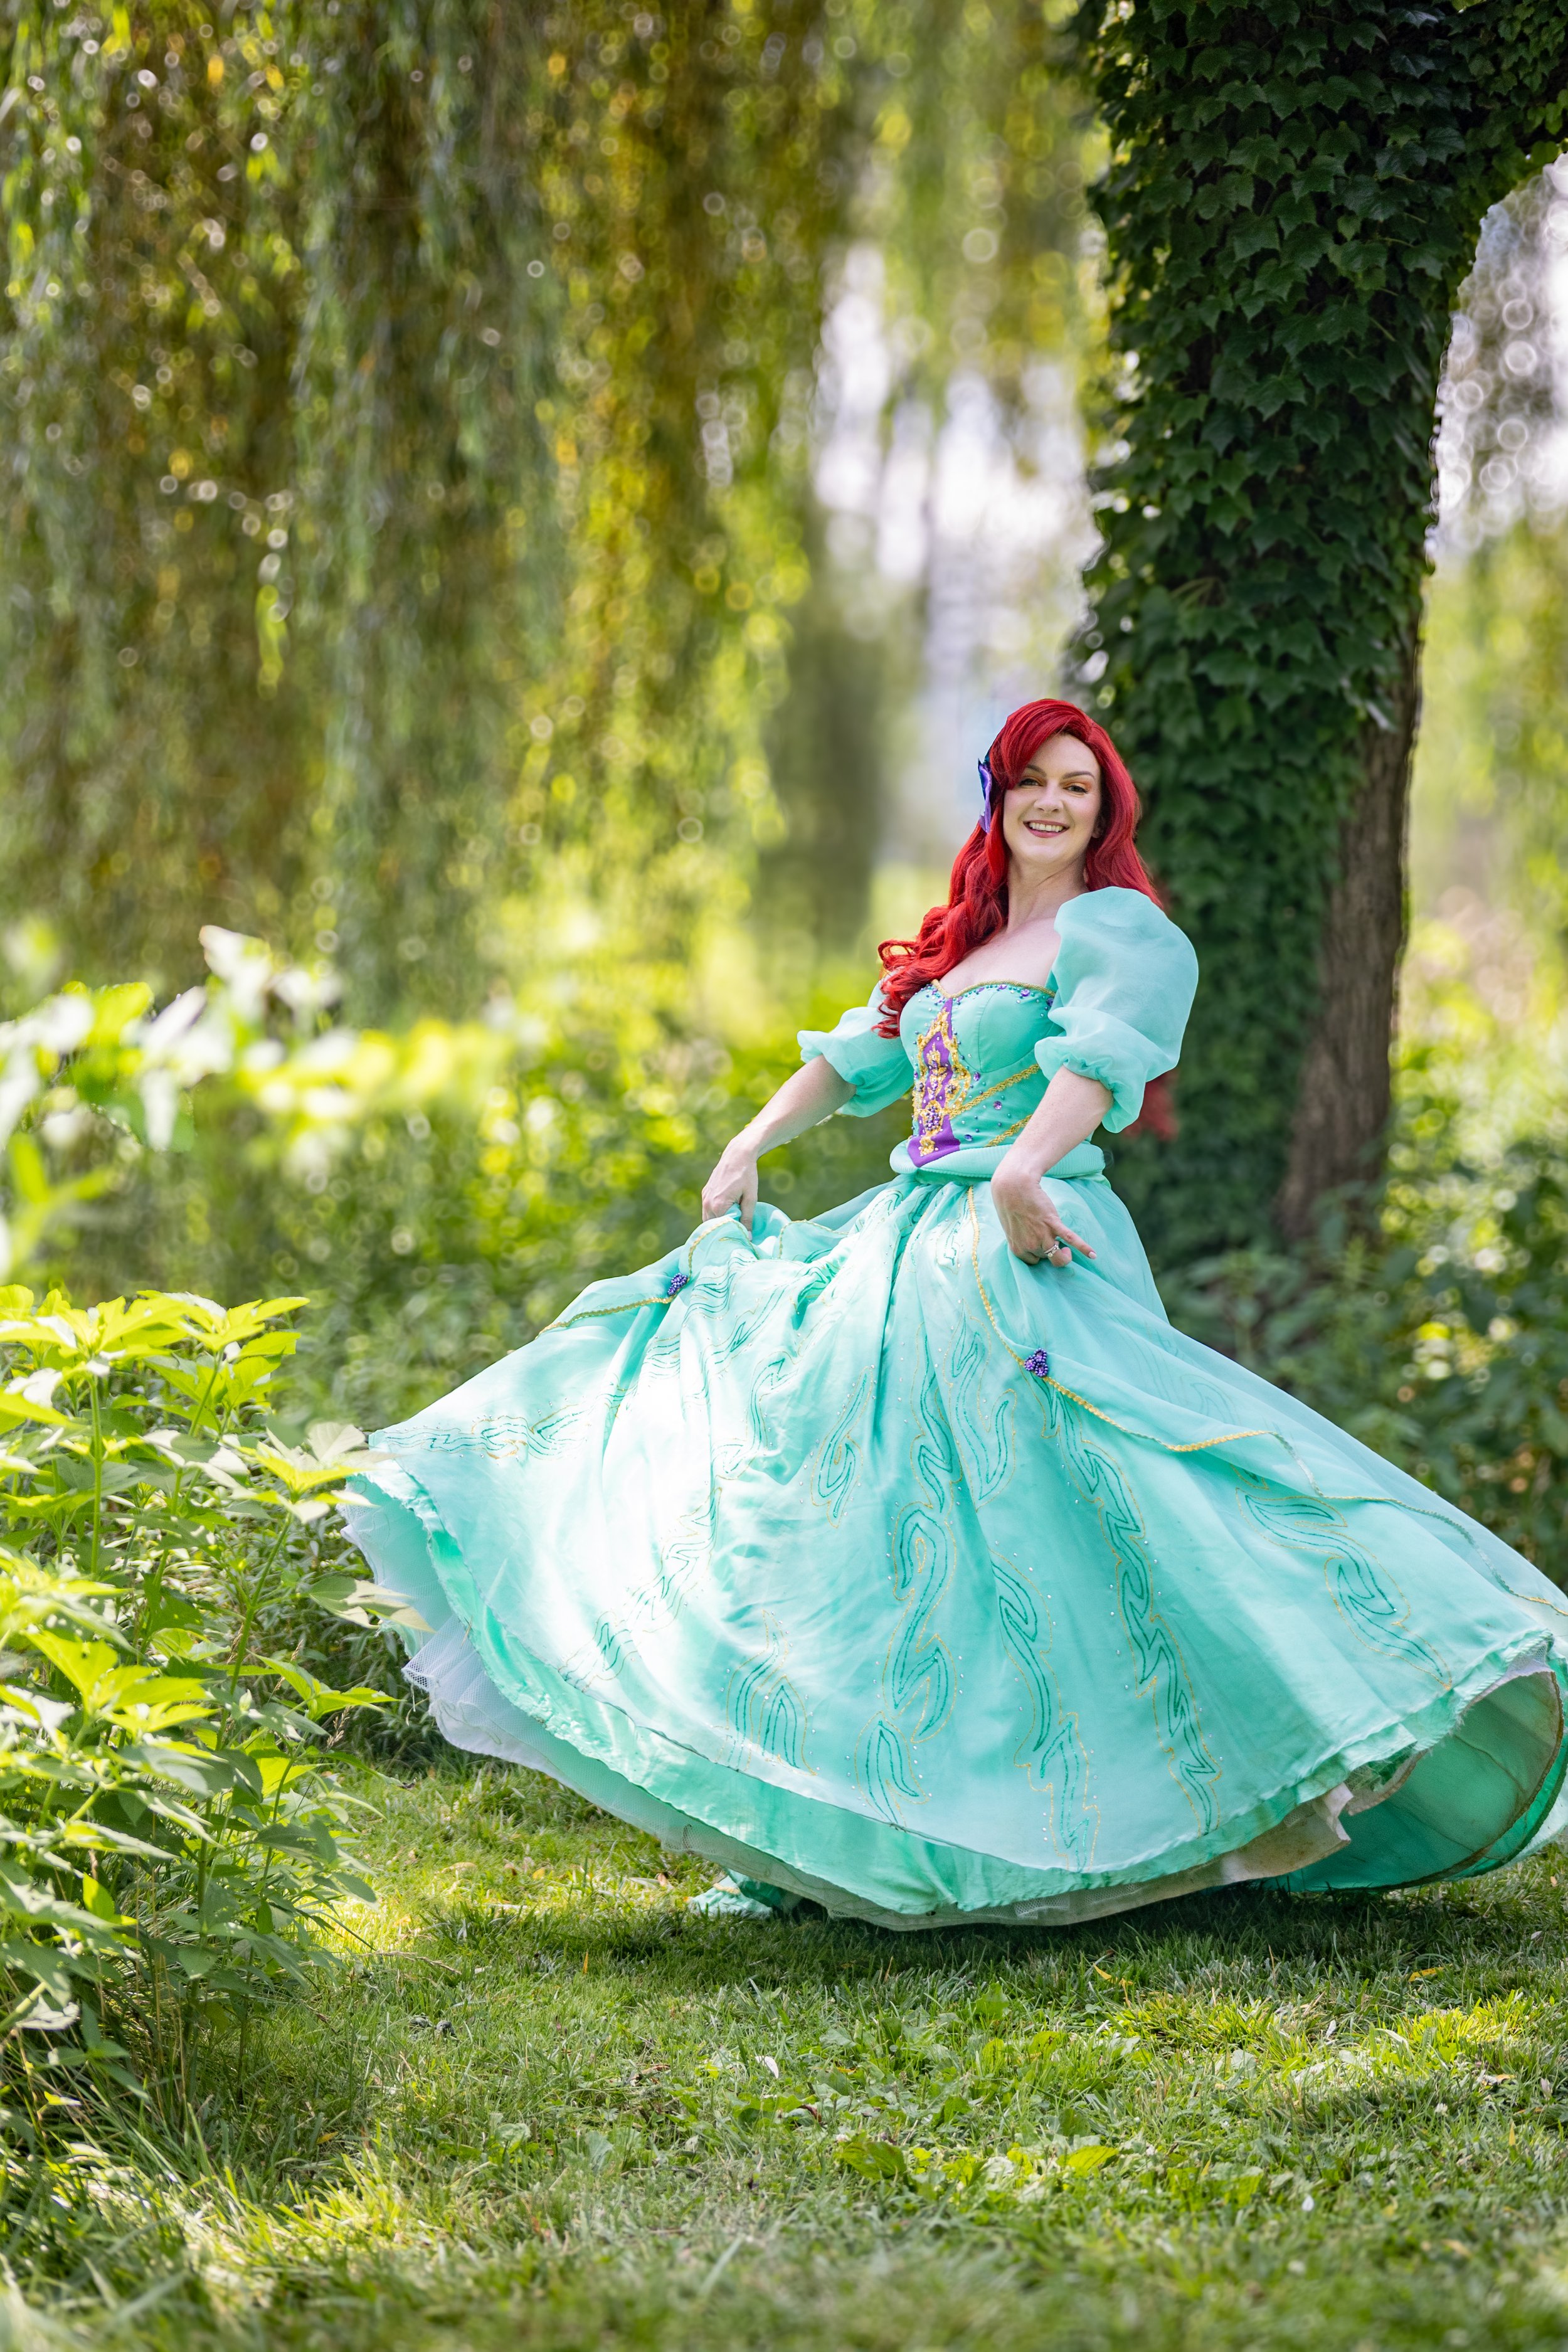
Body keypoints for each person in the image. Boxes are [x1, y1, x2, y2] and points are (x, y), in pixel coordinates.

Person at [347, 696, 1568, 1928]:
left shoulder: (1116, 928)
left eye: (1075, 788)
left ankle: (1107, 1810)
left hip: (1021, 1247)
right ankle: (816, 1836)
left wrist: (1019, 1170)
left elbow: (1096, 1065)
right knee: (850, 1530)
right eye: (1029, 780)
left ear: (1103, 813)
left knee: (1077, 1524)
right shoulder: (962, 940)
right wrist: (747, 1141)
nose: (1050, 801)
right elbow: (857, 1057)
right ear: (996, 794)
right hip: (904, 1245)